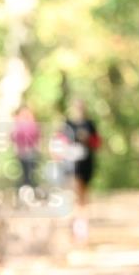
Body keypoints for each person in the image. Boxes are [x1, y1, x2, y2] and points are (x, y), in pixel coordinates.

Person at [62, 99, 100, 242]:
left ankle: (82, 228)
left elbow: (97, 143)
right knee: (76, 196)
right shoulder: (67, 124)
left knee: (84, 197)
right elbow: (61, 143)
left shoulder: (90, 124)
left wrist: (87, 139)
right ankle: (77, 229)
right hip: (72, 165)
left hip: (86, 164)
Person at [10, 103, 41, 200]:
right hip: (22, 152)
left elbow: (37, 136)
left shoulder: (32, 123)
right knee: (24, 174)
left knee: (30, 174)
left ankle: (29, 194)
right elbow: (14, 138)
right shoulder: (18, 123)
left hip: (31, 152)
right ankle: (23, 195)